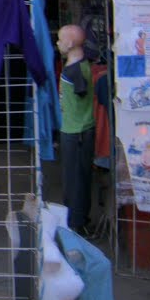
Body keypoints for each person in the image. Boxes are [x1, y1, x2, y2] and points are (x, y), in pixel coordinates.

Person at [57, 24, 94, 233]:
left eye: (61, 39)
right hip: (74, 128)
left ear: (70, 43)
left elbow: (81, 91)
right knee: (74, 177)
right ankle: (75, 218)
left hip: (77, 131)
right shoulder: (77, 66)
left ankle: (77, 222)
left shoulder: (76, 71)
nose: (58, 43)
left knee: (76, 179)